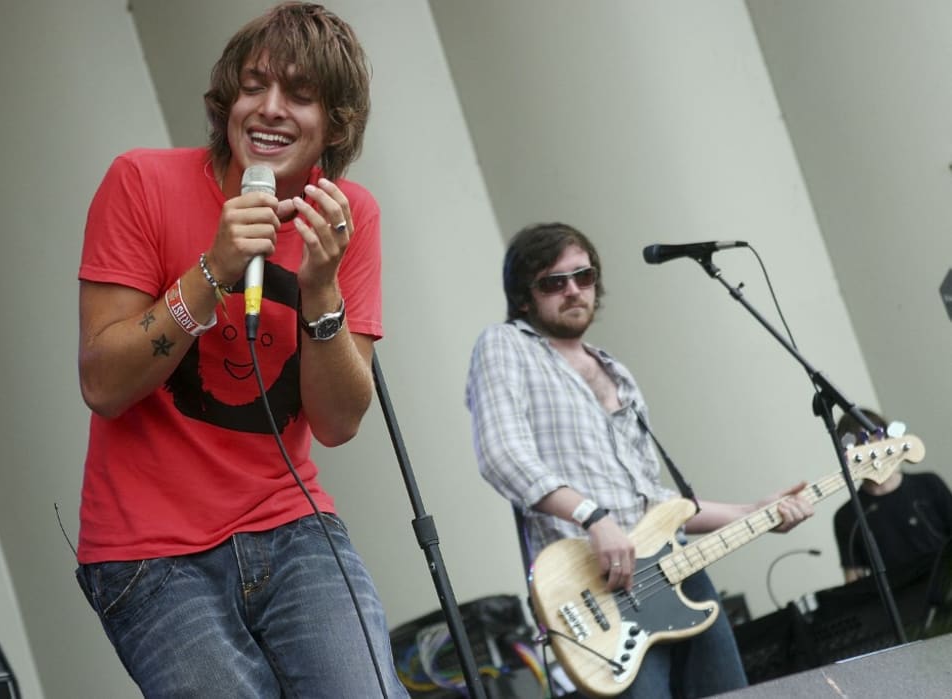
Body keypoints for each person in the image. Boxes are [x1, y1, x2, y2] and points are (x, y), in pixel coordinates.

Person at [74, 4, 406, 697]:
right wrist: (213, 270)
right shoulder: (142, 181)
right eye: (254, 86)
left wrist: (321, 289)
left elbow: (340, 423)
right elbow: (104, 383)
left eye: (301, 94)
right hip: (149, 552)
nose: (271, 109)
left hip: (290, 528)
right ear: (227, 100)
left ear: (335, 124)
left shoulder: (350, 215)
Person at [465, 222, 814, 698]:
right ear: (525, 298)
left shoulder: (617, 373)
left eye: (583, 277)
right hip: (596, 594)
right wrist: (595, 518)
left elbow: (655, 501)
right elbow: (502, 455)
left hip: (677, 577)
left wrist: (753, 513)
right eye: (553, 282)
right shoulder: (505, 345)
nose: (573, 290)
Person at [833, 408, 952, 584]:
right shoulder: (847, 516)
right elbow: (853, 579)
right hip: (902, 603)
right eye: (862, 449)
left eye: (876, 444)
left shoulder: (928, 484)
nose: (873, 456)